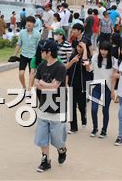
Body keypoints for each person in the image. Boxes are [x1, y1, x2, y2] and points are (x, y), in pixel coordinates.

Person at [34, 39, 68, 172]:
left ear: (49, 52)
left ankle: (62, 149)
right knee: (42, 137)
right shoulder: (41, 66)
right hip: (43, 106)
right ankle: (45, 161)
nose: (41, 53)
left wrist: (44, 85)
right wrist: (45, 86)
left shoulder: (60, 67)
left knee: (57, 139)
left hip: (57, 107)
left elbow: (55, 87)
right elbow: (36, 83)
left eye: (42, 50)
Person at [67, 24, 92, 133]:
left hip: (82, 82)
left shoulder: (86, 41)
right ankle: (73, 127)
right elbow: (69, 65)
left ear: (80, 31)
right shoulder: (74, 50)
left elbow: (88, 65)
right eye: (78, 46)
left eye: (75, 29)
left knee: (81, 105)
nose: (78, 48)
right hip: (73, 81)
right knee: (71, 104)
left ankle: (84, 115)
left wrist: (85, 50)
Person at [90, 41, 117, 138]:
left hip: (108, 88)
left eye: (105, 50)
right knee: (93, 109)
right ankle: (95, 128)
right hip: (96, 86)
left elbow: (114, 77)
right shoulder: (95, 58)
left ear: (109, 51)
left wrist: (113, 91)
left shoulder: (114, 61)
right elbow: (89, 69)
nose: (103, 51)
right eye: (101, 49)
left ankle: (104, 130)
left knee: (105, 110)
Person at [12, 16, 41, 92]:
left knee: (32, 74)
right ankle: (24, 86)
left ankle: (29, 89)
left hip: (33, 56)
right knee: (21, 74)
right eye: (28, 22)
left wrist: (38, 58)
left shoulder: (37, 34)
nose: (29, 23)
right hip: (24, 56)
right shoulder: (22, 32)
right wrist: (14, 55)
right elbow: (19, 44)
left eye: (31, 22)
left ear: (34, 24)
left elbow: (38, 47)